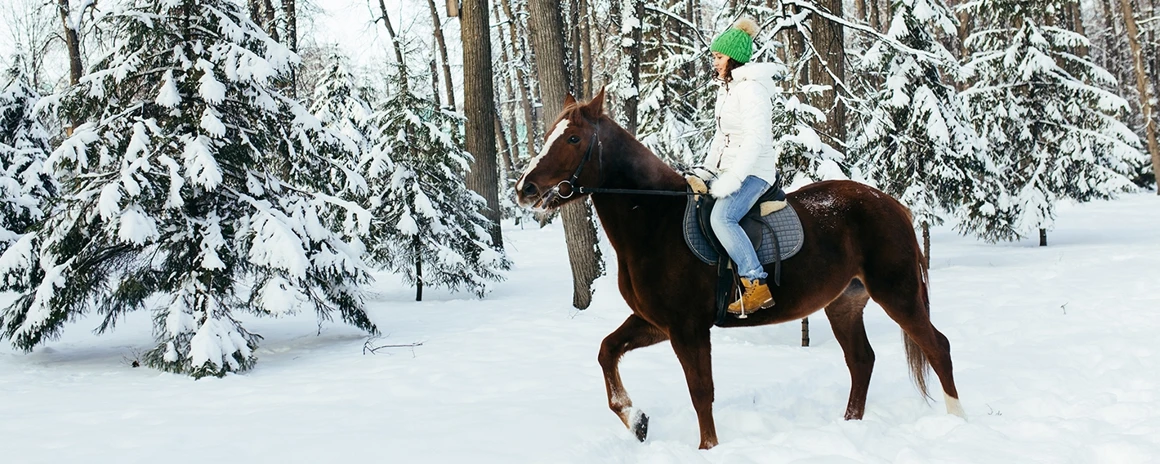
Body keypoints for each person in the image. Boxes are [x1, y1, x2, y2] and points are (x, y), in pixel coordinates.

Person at [699, 17, 781, 315]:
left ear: (733, 58)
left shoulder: (752, 90)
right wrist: (705, 171)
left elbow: (755, 140)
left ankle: (756, 284)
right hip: (729, 170)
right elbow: (722, 136)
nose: (715, 62)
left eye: (719, 57)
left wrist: (733, 178)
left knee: (723, 218)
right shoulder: (728, 89)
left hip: (754, 172)